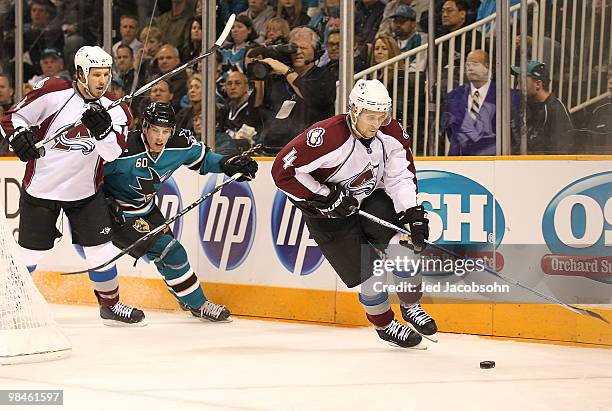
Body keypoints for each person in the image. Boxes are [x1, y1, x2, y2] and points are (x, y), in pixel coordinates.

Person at [271, 79, 437, 348]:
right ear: (354, 110)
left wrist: (411, 213)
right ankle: (385, 325)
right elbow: (282, 171)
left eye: (382, 116)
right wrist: (325, 195)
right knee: (372, 276)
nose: (376, 123)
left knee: (403, 248)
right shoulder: (327, 136)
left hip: (368, 199)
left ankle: (411, 306)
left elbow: (400, 176)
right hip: (326, 215)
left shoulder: (390, 132)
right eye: (370, 117)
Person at [1, 46, 145, 326]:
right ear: (80, 73)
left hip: (85, 194)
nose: (102, 81)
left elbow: (112, 152)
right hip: (42, 190)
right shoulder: (54, 92)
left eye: (106, 74)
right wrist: (18, 136)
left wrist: (102, 131)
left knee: (101, 250)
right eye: (96, 74)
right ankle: (9, 302)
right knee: (31, 253)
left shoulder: (116, 110)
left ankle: (110, 306)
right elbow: (12, 117)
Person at [102, 102, 258, 321]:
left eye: (165, 131)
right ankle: (197, 304)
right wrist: (102, 204)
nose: (160, 137)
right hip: (117, 213)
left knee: (171, 254)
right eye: (155, 129)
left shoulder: (179, 144)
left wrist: (228, 163)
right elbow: (89, 177)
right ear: (144, 127)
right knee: (168, 249)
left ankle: (189, 301)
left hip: (146, 210)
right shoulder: (121, 148)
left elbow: (204, 160)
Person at [445, 49, 520, 155]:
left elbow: (513, 133)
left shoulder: (506, 95)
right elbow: (451, 130)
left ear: (487, 66)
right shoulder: (454, 96)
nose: (470, 68)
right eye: (468, 65)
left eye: (475, 64)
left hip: (492, 159)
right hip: (459, 160)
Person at [511, 61, 575, 154]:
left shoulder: (556, 110)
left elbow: (561, 152)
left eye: (521, 83)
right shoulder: (523, 105)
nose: (517, 87)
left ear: (538, 84)